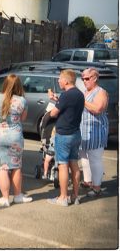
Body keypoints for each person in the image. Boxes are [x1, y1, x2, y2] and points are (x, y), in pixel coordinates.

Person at [0, 74, 32, 207]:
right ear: (19, 86)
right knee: (16, 167)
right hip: (15, 137)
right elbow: (23, 118)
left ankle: (5, 198)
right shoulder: (22, 101)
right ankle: (18, 195)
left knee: (2, 168)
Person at [47, 69, 84, 206]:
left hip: (64, 134)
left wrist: (53, 106)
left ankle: (63, 197)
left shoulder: (66, 95)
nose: (58, 80)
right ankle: (75, 196)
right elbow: (68, 107)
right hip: (76, 133)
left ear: (67, 80)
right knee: (74, 164)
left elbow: (54, 114)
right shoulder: (79, 94)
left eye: (60, 79)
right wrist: (57, 99)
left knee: (63, 165)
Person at [79, 68, 109, 197]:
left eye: (87, 78)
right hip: (82, 130)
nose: (84, 81)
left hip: (96, 131)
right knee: (84, 157)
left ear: (95, 78)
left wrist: (82, 101)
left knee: (95, 159)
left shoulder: (100, 92)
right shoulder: (85, 92)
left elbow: (98, 109)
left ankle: (97, 187)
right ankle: (87, 181)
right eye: (82, 79)